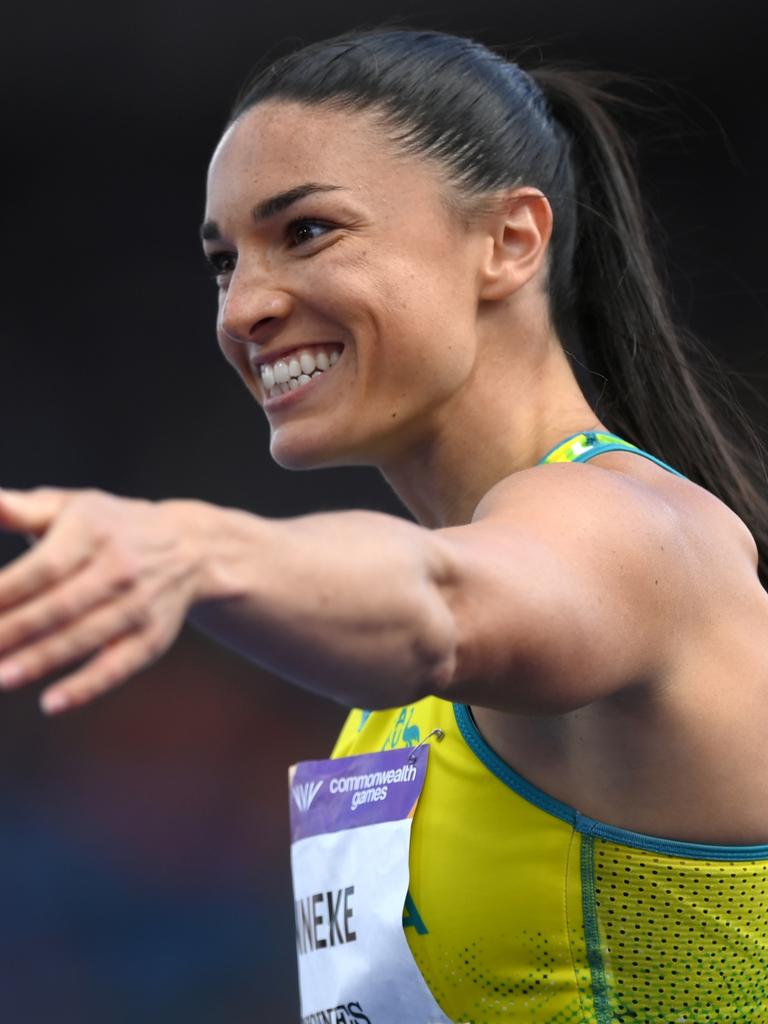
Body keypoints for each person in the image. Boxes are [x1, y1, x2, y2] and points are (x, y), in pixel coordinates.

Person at [1, 26, 767, 1024]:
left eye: (307, 231)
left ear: (510, 241)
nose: (245, 308)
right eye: (223, 261)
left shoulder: (639, 533)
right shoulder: (392, 717)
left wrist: (197, 545)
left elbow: (437, 601)